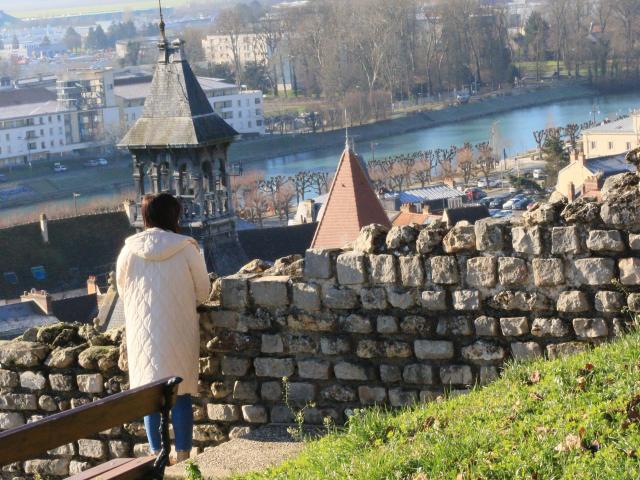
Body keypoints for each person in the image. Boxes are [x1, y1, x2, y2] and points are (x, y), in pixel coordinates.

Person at [116, 193, 210, 463]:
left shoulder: (128, 251)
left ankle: (156, 453)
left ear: (145, 216)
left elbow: (123, 291)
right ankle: (183, 455)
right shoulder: (186, 248)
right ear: (174, 215)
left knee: (150, 398)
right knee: (180, 394)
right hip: (178, 329)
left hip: (142, 333)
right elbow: (203, 292)